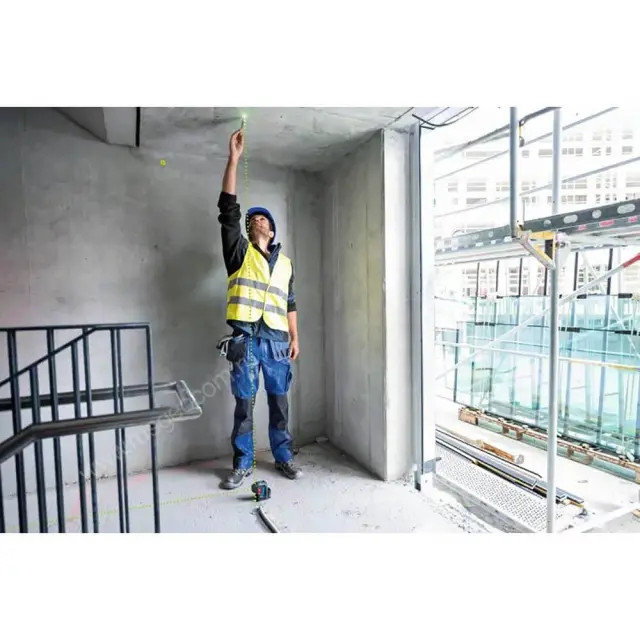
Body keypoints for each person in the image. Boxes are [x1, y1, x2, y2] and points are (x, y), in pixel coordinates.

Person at [217, 128, 302, 489]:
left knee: (280, 404)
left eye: (262, 218)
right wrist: (233, 160)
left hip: (278, 343)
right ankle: (243, 463)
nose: (256, 220)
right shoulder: (238, 253)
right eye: (251, 219)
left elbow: (290, 302)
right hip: (246, 340)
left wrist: (295, 337)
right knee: (244, 406)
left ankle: (283, 457)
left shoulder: (286, 264)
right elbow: (228, 211)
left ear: (272, 229)